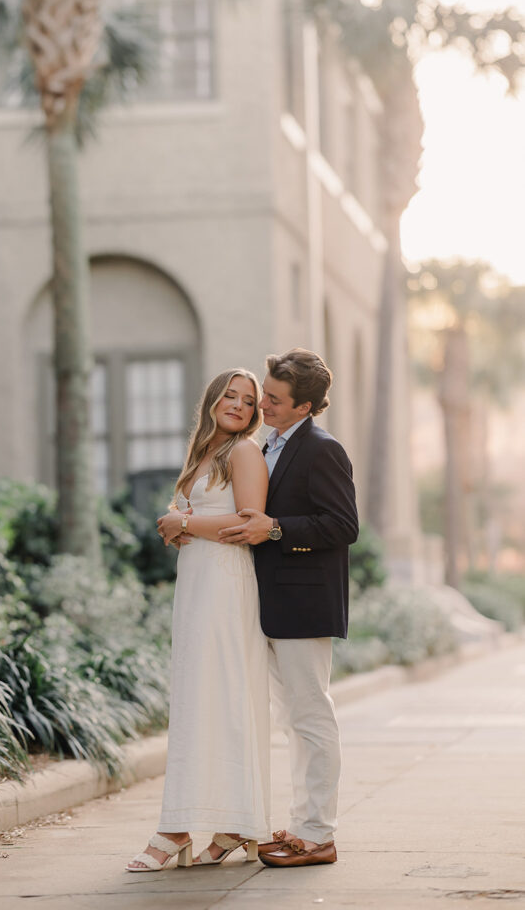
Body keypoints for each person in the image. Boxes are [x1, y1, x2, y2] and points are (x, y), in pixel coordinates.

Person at [126, 369, 272, 872]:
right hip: (196, 587)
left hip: (227, 588)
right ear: (212, 400)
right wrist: (178, 525)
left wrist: (183, 522)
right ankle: (222, 824)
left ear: (255, 414)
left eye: (248, 401)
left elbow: (249, 523)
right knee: (196, 701)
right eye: (230, 395)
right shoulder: (204, 455)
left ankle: (178, 827)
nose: (238, 405)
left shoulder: (244, 452)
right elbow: (199, 515)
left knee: (222, 698)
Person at [219, 348, 358, 868]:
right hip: (269, 601)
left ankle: (318, 835)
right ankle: (301, 823)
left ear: (304, 408)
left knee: (311, 717)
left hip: (304, 604)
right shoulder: (266, 445)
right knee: (292, 720)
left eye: (274, 400)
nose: (264, 406)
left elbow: (344, 526)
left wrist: (275, 528)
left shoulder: (323, 450)